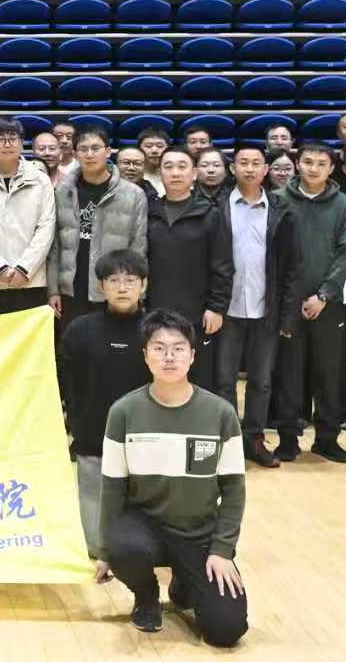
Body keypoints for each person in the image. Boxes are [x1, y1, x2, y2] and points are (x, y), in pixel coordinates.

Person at [97, 309, 248, 648]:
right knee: (123, 548)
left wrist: (222, 550)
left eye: (178, 348)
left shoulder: (220, 414)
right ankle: (146, 595)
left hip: (198, 532)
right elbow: (112, 488)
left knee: (226, 629)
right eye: (159, 348)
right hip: (145, 525)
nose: (169, 357)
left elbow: (234, 490)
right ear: (145, 355)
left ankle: (185, 585)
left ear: (192, 356)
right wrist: (106, 550)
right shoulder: (123, 412)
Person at [61, 251, 151, 558]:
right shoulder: (80, 330)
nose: (122, 288)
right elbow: (65, 380)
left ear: (144, 285)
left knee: (144, 500)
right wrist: (74, 420)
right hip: (92, 432)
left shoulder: (158, 331)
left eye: (130, 280)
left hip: (145, 436)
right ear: (101, 286)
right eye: (113, 280)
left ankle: (139, 550)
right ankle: (98, 550)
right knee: (92, 496)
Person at [272, 145, 346, 465]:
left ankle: (327, 439)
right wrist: (287, 297)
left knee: (327, 372)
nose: (313, 168)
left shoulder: (344, 204)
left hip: (328, 303)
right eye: (307, 162)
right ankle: (288, 439)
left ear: (332, 168)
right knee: (288, 373)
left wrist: (324, 295)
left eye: (321, 163)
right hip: (287, 302)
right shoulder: (278, 199)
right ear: (297, 164)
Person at [216, 146, 298, 467]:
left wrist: (287, 316)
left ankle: (254, 438)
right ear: (233, 168)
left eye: (256, 163)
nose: (249, 169)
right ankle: (229, 440)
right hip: (226, 309)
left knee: (261, 381)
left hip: (266, 310)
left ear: (266, 170)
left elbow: (292, 267)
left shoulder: (281, 210)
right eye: (243, 163)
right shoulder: (218, 206)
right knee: (224, 380)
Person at [142, 149, 232, 387]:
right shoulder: (149, 212)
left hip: (198, 311)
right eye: (168, 166)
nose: (175, 173)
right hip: (155, 307)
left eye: (182, 167)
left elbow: (222, 265)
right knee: (157, 371)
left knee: (197, 375)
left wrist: (216, 307)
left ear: (194, 173)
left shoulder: (211, 214)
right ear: (160, 172)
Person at [0, 118, 59, 318]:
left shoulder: (41, 180)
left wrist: (24, 269)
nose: (7, 144)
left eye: (13, 139)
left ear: (22, 144)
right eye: (0, 139)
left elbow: (46, 229)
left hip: (31, 280)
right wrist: (0, 269)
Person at [52, 125, 147, 315]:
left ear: (108, 151)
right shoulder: (62, 191)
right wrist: (53, 290)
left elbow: (138, 247)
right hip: (70, 288)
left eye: (95, 148)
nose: (89, 154)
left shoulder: (133, 194)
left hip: (115, 289)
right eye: (83, 149)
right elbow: (55, 246)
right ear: (75, 154)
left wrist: (136, 291)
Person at [136, 128, 170, 195]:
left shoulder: (176, 175)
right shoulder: (132, 175)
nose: (154, 151)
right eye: (148, 146)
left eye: (160, 146)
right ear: (139, 149)